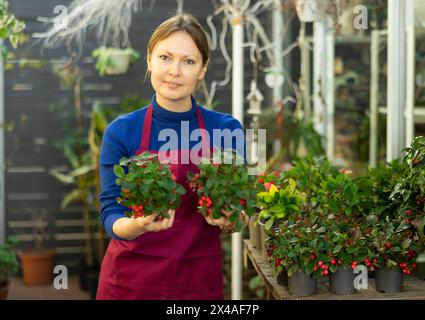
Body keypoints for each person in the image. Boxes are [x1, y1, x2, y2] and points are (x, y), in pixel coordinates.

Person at [96, 14, 248, 300]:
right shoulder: (121, 131)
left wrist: (228, 219)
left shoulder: (226, 130)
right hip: (129, 283)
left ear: (202, 69)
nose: (174, 71)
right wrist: (136, 225)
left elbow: (241, 213)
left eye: (188, 61)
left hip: (197, 282)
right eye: (165, 57)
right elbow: (110, 212)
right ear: (149, 60)